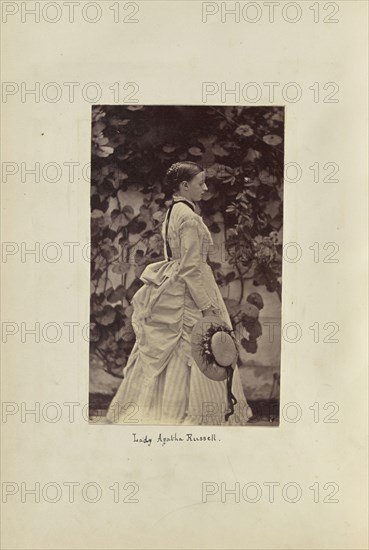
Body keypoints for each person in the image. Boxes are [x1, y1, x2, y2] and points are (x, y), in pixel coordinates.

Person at [106, 161, 253, 425]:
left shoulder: (174, 212)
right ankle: (193, 414)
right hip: (190, 287)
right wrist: (207, 306)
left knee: (183, 347)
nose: (205, 188)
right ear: (184, 186)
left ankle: (164, 408)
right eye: (200, 183)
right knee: (197, 344)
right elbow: (189, 267)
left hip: (176, 284)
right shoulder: (188, 218)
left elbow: (180, 263)